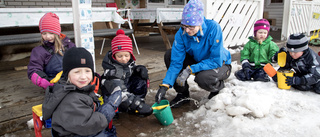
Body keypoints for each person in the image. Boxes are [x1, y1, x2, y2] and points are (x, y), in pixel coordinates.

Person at [154, 0, 232, 108]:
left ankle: (217, 88)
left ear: (200, 23)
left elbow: (215, 60)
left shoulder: (213, 28)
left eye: (191, 27)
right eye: (184, 26)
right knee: (170, 55)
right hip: (199, 60)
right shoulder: (182, 33)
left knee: (203, 78)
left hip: (220, 64)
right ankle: (182, 94)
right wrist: (164, 86)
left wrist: (191, 69)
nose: (187, 30)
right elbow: (176, 62)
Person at [42, 47, 121, 136]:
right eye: (77, 72)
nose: (83, 76)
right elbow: (89, 125)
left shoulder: (79, 89)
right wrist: (110, 106)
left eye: (87, 71)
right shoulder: (70, 99)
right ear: (67, 75)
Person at [100, 29, 153, 117]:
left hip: (124, 87)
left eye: (126, 55)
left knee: (140, 77)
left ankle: (138, 102)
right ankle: (130, 107)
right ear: (114, 55)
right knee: (115, 104)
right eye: (120, 56)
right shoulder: (113, 71)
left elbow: (131, 70)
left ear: (131, 54)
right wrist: (137, 105)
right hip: (114, 94)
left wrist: (138, 69)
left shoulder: (128, 62)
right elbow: (119, 92)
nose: (124, 59)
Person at [27, 12, 75, 90]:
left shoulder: (69, 46)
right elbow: (33, 70)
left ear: (58, 33)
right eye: (44, 33)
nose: (47, 36)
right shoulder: (39, 51)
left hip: (72, 81)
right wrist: (44, 82)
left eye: (51, 33)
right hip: (53, 85)